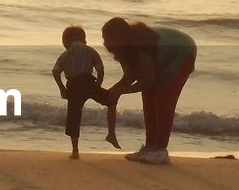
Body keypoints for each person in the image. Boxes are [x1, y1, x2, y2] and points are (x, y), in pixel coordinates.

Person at [101, 17, 196, 165]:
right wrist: (114, 90)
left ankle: (160, 150)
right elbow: (129, 77)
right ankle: (150, 147)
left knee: (163, 101)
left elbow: (146, 82)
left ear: (121, 37)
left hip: (182, 52)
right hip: (163, 55)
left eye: (109, 39)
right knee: (148, 101)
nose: (105, 43)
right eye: (104, 38)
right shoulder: (122, 50)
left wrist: (121, 91)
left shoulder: (141, 47)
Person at [52, 25, 119, 160]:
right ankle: (111, 134)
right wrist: (97, 85)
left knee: (74, 117)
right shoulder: (90, 51)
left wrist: (62, 88)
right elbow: (100, 69)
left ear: (65, 41)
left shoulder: (65, 54)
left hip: (73, 86)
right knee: (111, 101)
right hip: (88, 82)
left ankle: (75, 150)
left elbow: (55, 71)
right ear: (84, 39)